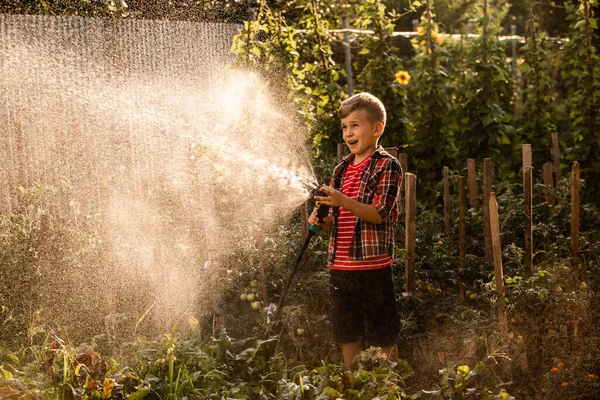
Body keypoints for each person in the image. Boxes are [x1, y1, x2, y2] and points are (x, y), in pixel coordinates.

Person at [308, 92, 402, 371]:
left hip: (373, 268)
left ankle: (387, 387)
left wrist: (342, 201)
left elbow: (379, 213)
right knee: (347, 334)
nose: (349, 132)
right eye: (345, 127)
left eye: (355, 125)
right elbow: (338, 220)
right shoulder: (341, 169)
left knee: (383, 334)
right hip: (341, 268)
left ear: (377, 129)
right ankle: (354, 387)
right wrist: (323, 220)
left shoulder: (386, 165)